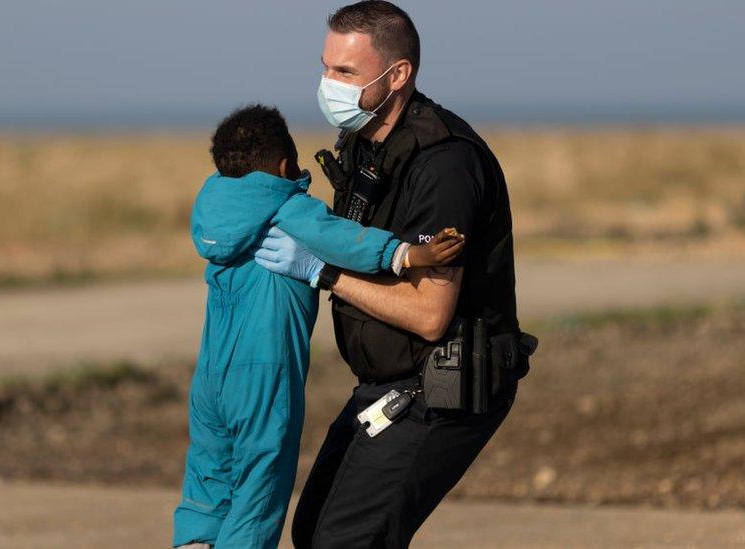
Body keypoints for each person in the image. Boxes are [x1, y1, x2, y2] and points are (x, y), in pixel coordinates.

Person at [254, 2, 535, 547]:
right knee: (313, 530)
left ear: (398, 75)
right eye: (326, 67)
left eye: (345, 73)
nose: (327, 84)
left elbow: (429, 315)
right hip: (385, 386)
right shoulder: (365, 144)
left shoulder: (443, 163)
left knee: (345, 541)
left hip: (442, 387)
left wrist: (321, 272)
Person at [173, 104, 464, 549]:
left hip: (210, 376)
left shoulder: (213, 211)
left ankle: (193, 543)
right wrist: (408, 255)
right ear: (286, 166)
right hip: (263, 375)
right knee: (258, 487)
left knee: (208, 478)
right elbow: (347, 241)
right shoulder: (288, 208)